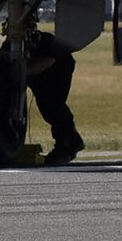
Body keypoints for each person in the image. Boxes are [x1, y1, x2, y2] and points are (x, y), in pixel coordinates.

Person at [25, 30, 85, 165]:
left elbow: (46, 62)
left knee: (53, 105)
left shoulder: (44, 42)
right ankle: (73, 140)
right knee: (48, 107)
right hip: (38, 73)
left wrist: (22, 71)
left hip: (58, 68)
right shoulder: (13, 45)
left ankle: (65, 145)